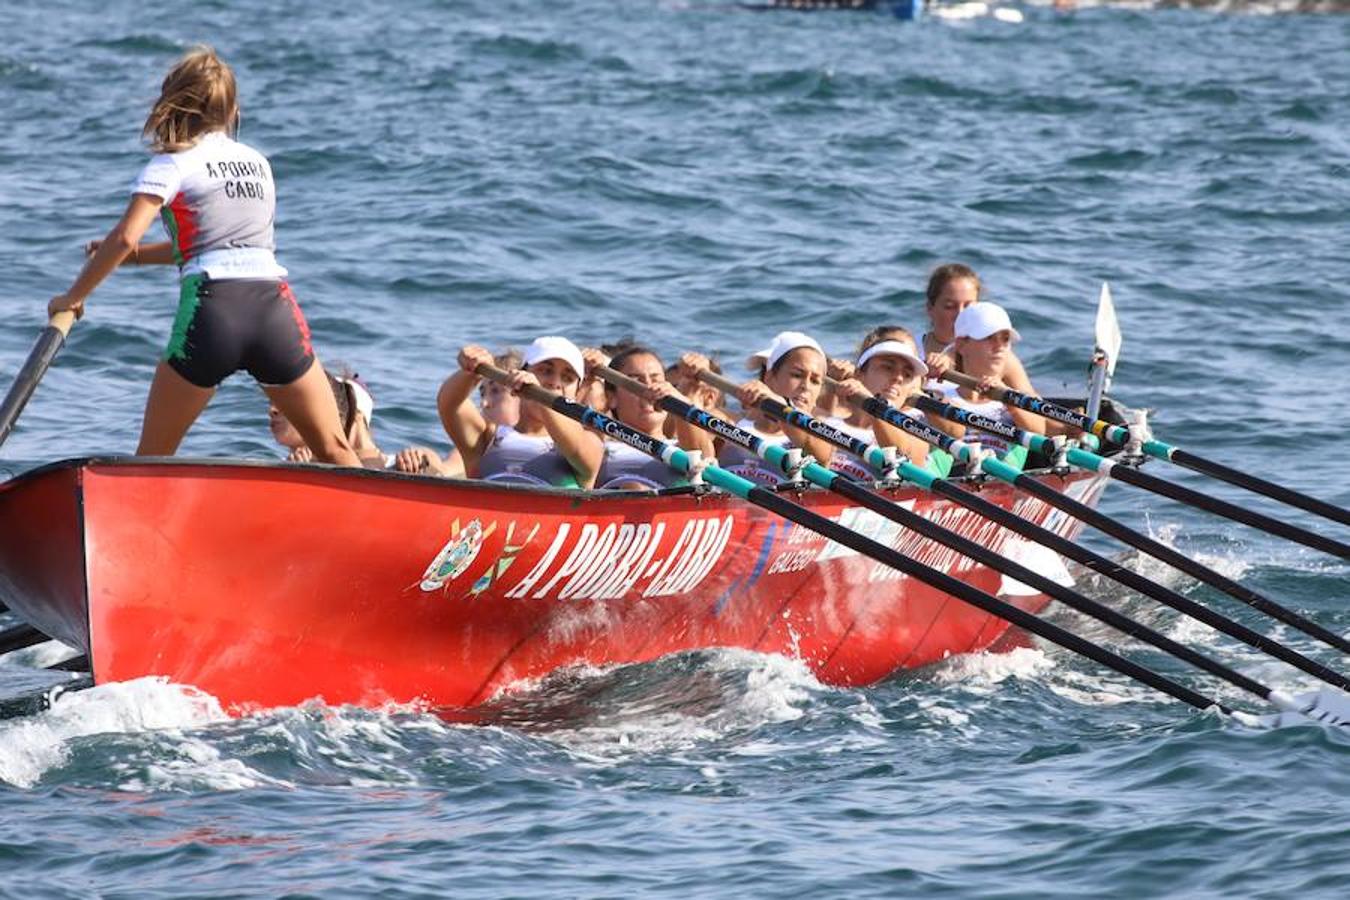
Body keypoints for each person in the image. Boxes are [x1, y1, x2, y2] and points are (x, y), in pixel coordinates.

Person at [48, 46, 359, 466]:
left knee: (152, 461)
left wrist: (72, 297)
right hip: (274, 312)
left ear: (172, 103)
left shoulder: (171, 164)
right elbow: (227, 242)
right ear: (231, 108)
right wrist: (137, 258)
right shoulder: (257, 163)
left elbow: (123, 237)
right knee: (334, 448)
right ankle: (387, 529)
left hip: (212, 315)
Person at [438, 336, 604, 488]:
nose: (555, 382)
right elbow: (450, 405)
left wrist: (540, 395)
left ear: (577, 392)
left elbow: (576, 447)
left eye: (567, 378)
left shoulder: (590, 443)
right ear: (523, 373)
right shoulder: (487, 437)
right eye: (546, 371)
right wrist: (470, 371)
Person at [681, 331, 835, 486]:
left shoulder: (822, 431)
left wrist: (778, 404)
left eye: (815, 381)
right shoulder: (729, 421)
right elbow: (692, 450)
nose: (806, 386)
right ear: (768, 378)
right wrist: (688, 388)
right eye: (796, 375)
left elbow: (819, 451)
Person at [945, 303, 1067, 469]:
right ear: (961, 345)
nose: (1000, 346)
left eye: (1005, 339)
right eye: (989, 337)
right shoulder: (943, 396)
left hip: (1003, 477)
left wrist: (1007, 398)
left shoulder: (1017, 398)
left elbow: (1038, 431)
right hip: (956, 475)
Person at [825, 326, 939, 479]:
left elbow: (904, 457)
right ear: (859, 375)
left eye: (907, 374)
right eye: (888, 367)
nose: (898, 378)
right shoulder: (828, 423)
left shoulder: (914, 429)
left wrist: (872, 404)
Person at [582, 345, 698, 490]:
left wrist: (681, 403)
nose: (650, 389)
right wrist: (585, 378)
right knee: (633, 487)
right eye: (637, 381)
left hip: (671, 507)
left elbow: (701, 455)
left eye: (656, 381)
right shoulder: (596, 444)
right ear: (612, 398)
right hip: (615, 503)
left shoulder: (680, 446)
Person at [919, 263, 1033, 398]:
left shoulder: (999, 357)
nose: (961, 314)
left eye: (969, 306)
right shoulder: (910, 349)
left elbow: (1036, 407)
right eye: (950, 306)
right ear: (930, 308)